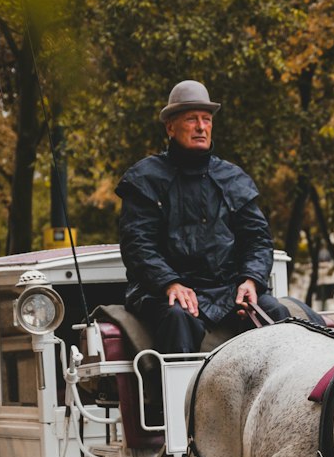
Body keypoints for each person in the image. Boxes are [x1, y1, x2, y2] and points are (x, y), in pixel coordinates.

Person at [116, 80, 290, 353]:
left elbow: (257, 239)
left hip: (229, 292)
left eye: (206, 120)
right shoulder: (143, 179)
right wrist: (169, 283)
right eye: (191, 119)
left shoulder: (233, 178)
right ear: (170, 127)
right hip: (163, 293)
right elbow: (138, 244)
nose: (201, 127)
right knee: (178, 317)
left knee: (273, 312)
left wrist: (250, 280)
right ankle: (177, 396)